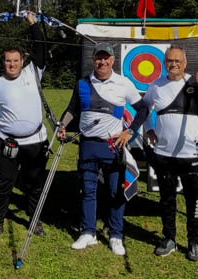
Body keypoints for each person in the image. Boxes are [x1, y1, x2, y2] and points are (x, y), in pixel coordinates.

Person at [59, 43, 149, 255]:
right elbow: (72, 109)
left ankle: (116, 234)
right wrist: (62, 125)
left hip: (112, 146)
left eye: (106, 58)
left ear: (113, 60)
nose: (102, 62)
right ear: (94, 60)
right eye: (99, 58)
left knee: (115, 191)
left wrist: (130, 132)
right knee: (87, 191)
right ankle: (88, 232)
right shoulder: (83, 83)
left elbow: (143, 109)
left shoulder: (123, 83)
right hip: (88, 145)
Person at [143, 46, 198, 262]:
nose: (173, 64)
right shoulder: (156, 85)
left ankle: (193, 242)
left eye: (178, 60)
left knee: (193, 201)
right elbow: (144, 109)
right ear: (164, 62)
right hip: (164, 155)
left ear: (185, 63)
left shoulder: (197, 83)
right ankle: (169, 238)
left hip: (191, 156)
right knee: (167, 200)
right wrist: (148, 128)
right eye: (169, 60)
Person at [0, 12, 49, 240]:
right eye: (8, 61)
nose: (12, 65)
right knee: (5, 184)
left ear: (22, 61)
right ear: (4, 62)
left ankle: (34, 219)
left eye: (16, 61)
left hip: (35, 141)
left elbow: (40, 48)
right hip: (6, 141)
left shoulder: (33, 73)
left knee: (33, 184)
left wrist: (33, 25)